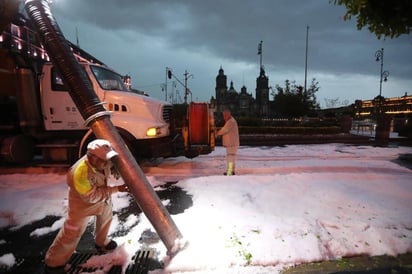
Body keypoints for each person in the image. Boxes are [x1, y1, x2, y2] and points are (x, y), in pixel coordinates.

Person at [44, 139, 128, 273]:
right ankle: (53, 263)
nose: (107, 162)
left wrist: (115, 168)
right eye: (104, 160)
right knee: (72, 233)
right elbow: (92, 197)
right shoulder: (80, 173)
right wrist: (116, 189)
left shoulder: (100, 160)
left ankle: (102, 242)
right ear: (92, 158)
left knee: (106, 219)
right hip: (82, 206)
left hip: (102, 198)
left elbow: (110, 163)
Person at [216, 109, 239, 175]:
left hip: (231, 143)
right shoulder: (231, 120)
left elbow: (224, 130)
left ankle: (229, 172)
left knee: (230, 158)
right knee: (232, 157)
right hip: (232, 143)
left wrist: (217, 133)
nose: (224, 117)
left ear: (228, 114)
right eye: (223, 115)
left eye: (225, 115)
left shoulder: (230, 121)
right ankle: (232, 171)